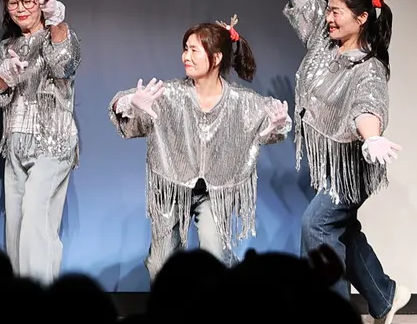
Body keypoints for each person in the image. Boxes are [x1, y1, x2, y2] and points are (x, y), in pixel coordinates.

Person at [252, 0, 409, 322]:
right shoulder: (324, 39)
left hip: (352, 166)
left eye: (337, 11)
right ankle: (385, 295)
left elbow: (367, 106)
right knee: (343, 230)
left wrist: (372, 136)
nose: (329, 17)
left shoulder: (369, 68)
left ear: (362, 18)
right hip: (331, 162)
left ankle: (331, 318)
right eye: (329, 9)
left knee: (317, 225)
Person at [110, 18, 289, 274]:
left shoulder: (241, 101)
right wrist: (129, 103)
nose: (186, 56)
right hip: (172, 186)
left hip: (215, 190)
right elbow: (119, 104)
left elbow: (272, 126)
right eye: (186, 49)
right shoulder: (170, 94)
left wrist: (276, 125)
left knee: (215, 256)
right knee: (160, 263)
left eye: (194, 50)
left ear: (216, 58)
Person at [0, 0, 79, 282]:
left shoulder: (59, 36)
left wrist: (57, 22)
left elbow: (64, 65)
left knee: (37, 219)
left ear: (41, 2)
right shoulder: (6, 48)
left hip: (53, 142)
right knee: (16, 229)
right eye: (13, 2)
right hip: (16, 144)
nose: (21, 8)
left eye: (28, 0)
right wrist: (3, 76)